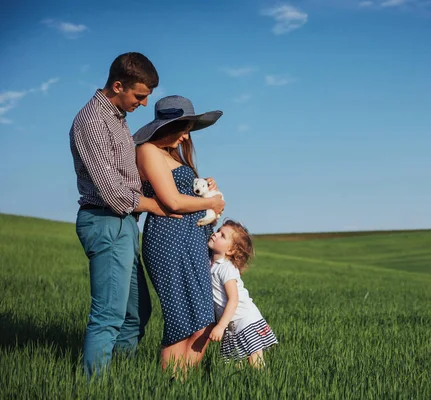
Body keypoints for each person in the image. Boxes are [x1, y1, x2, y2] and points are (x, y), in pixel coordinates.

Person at [69, 52, 175, 378]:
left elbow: (127, 179)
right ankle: (93, 387)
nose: (143, 104)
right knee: (108, 315)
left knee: (136, 313)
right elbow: (113, 193)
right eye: (140, 96)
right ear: (118, 85)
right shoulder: (92, 122)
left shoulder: (116, 118)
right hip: (106, 220)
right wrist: (159, 206)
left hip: (125, 223)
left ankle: (121, 378)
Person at [133, 95, 226, 376]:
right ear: (165, 126)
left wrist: (206, 186)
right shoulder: (148, 150)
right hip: (169, 239)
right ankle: (168, 383)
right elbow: (173, 201)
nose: (186, 136)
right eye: (183, 128)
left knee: (203, 319)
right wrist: (211, 203)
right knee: (181, 318)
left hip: (192, 239)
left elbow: (184, 193)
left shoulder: (171, 154)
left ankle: (179, 383)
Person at [208, 220, 278, 368]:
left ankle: (263, 383)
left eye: (222, 235)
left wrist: (220, 326)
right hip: (232, 323)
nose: (215, 234)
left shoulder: (226, 268)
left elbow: (233, 299)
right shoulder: (211, 264)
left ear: (230, 251)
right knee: (236, 362)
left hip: (244, 319)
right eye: (218, 230)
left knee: (255, 359)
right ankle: (244, 385)